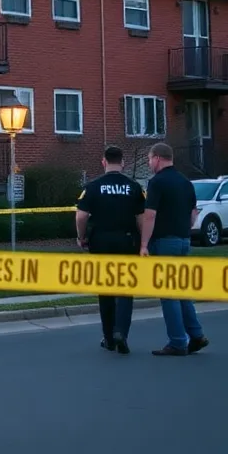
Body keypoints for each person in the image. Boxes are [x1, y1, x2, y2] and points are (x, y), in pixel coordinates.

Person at [139, 142, 207, 356]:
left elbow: (150, 215)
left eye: (150, 159)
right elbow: (193, 215)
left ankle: (178, 341)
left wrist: (143, 245)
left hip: (164, 242)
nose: (150, 163)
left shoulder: (157, 182)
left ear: (157, 158)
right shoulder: (186, 182)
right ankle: (196, 335)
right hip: (183, 240)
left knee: (168, 294)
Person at [76, 145, 146, 354]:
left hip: (101, 242)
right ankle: (121, 333)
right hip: (127, 241)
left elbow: (81, 216)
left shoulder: (93, 186)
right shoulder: (134, 187)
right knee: (125, 290)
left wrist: (82, 237)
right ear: (123, 163)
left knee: (106, 291)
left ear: (104, 162)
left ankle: (108, 337)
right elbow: (141, 218)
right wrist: (142, 243)